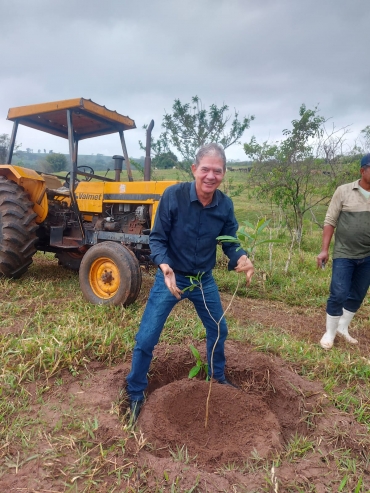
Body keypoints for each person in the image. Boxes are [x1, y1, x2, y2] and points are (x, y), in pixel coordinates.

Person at [125, 143, 254, 420]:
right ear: (194, 169)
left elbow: (230, 242)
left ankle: (217, 378)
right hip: (170, 277)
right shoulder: (173, 196)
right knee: (147, 337)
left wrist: (240, 257)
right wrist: (165, 266)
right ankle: (135, 391)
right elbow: (157, 238)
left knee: (218, 330)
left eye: (217, 171)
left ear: (224, 174)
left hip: (203, 281)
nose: (210, 176)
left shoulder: (224, 205)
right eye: (205, 169)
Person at [317, 153, 370, 349]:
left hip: (368, 256)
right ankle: (330, 333)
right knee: (338, 293)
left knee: (358, 293)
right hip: (344, 253)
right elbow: (330, 221)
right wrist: (324, 250)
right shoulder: (344, 191)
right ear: (362, 170)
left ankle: (343, 328)